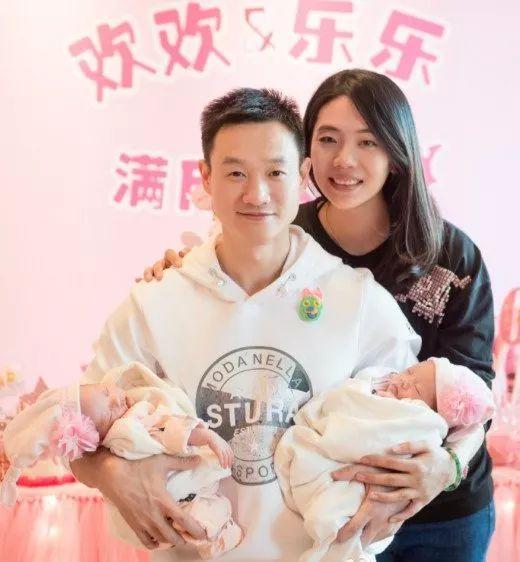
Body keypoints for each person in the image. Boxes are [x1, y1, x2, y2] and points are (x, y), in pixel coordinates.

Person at [68, 86, 434, 561]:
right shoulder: (153, 304)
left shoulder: (360, 302)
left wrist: (431, 472)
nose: (256, 194)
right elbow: (75, 429)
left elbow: (414, 431)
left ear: (303, 175)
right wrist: (108, 473)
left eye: (275, 172)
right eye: (236, 172)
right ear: (206, 177)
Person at [143, 69, 495, 561]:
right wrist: (183, 272)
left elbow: (475, 390)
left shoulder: (449, 256)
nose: (344, 160)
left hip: (438, 513)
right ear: (306, 152)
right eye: (328, 139)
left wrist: (447, 467)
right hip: (326, 506)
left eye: (368, 142)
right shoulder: (285, 236)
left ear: (396, 152)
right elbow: (230, 296)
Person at [1, 361, 242, 559]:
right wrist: (208, 436)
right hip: (177, 491)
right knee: (201, 514)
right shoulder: (129, 427)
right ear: (98, 437)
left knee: (194, 517)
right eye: (109, 413)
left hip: (175, 495)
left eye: (106, 392)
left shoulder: (122, 405)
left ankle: (211, 535)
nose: (116, 401)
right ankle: (216, 534)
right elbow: (168, 429)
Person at [274, 357, 495, 562]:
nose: (405, 381)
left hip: (449, 514)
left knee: (337, 525)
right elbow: (349, 409)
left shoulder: (423, 419)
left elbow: (477, 409)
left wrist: (450, 464)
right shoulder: (382, 378)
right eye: (409, 372)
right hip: (369, 499)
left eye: (418, 389)